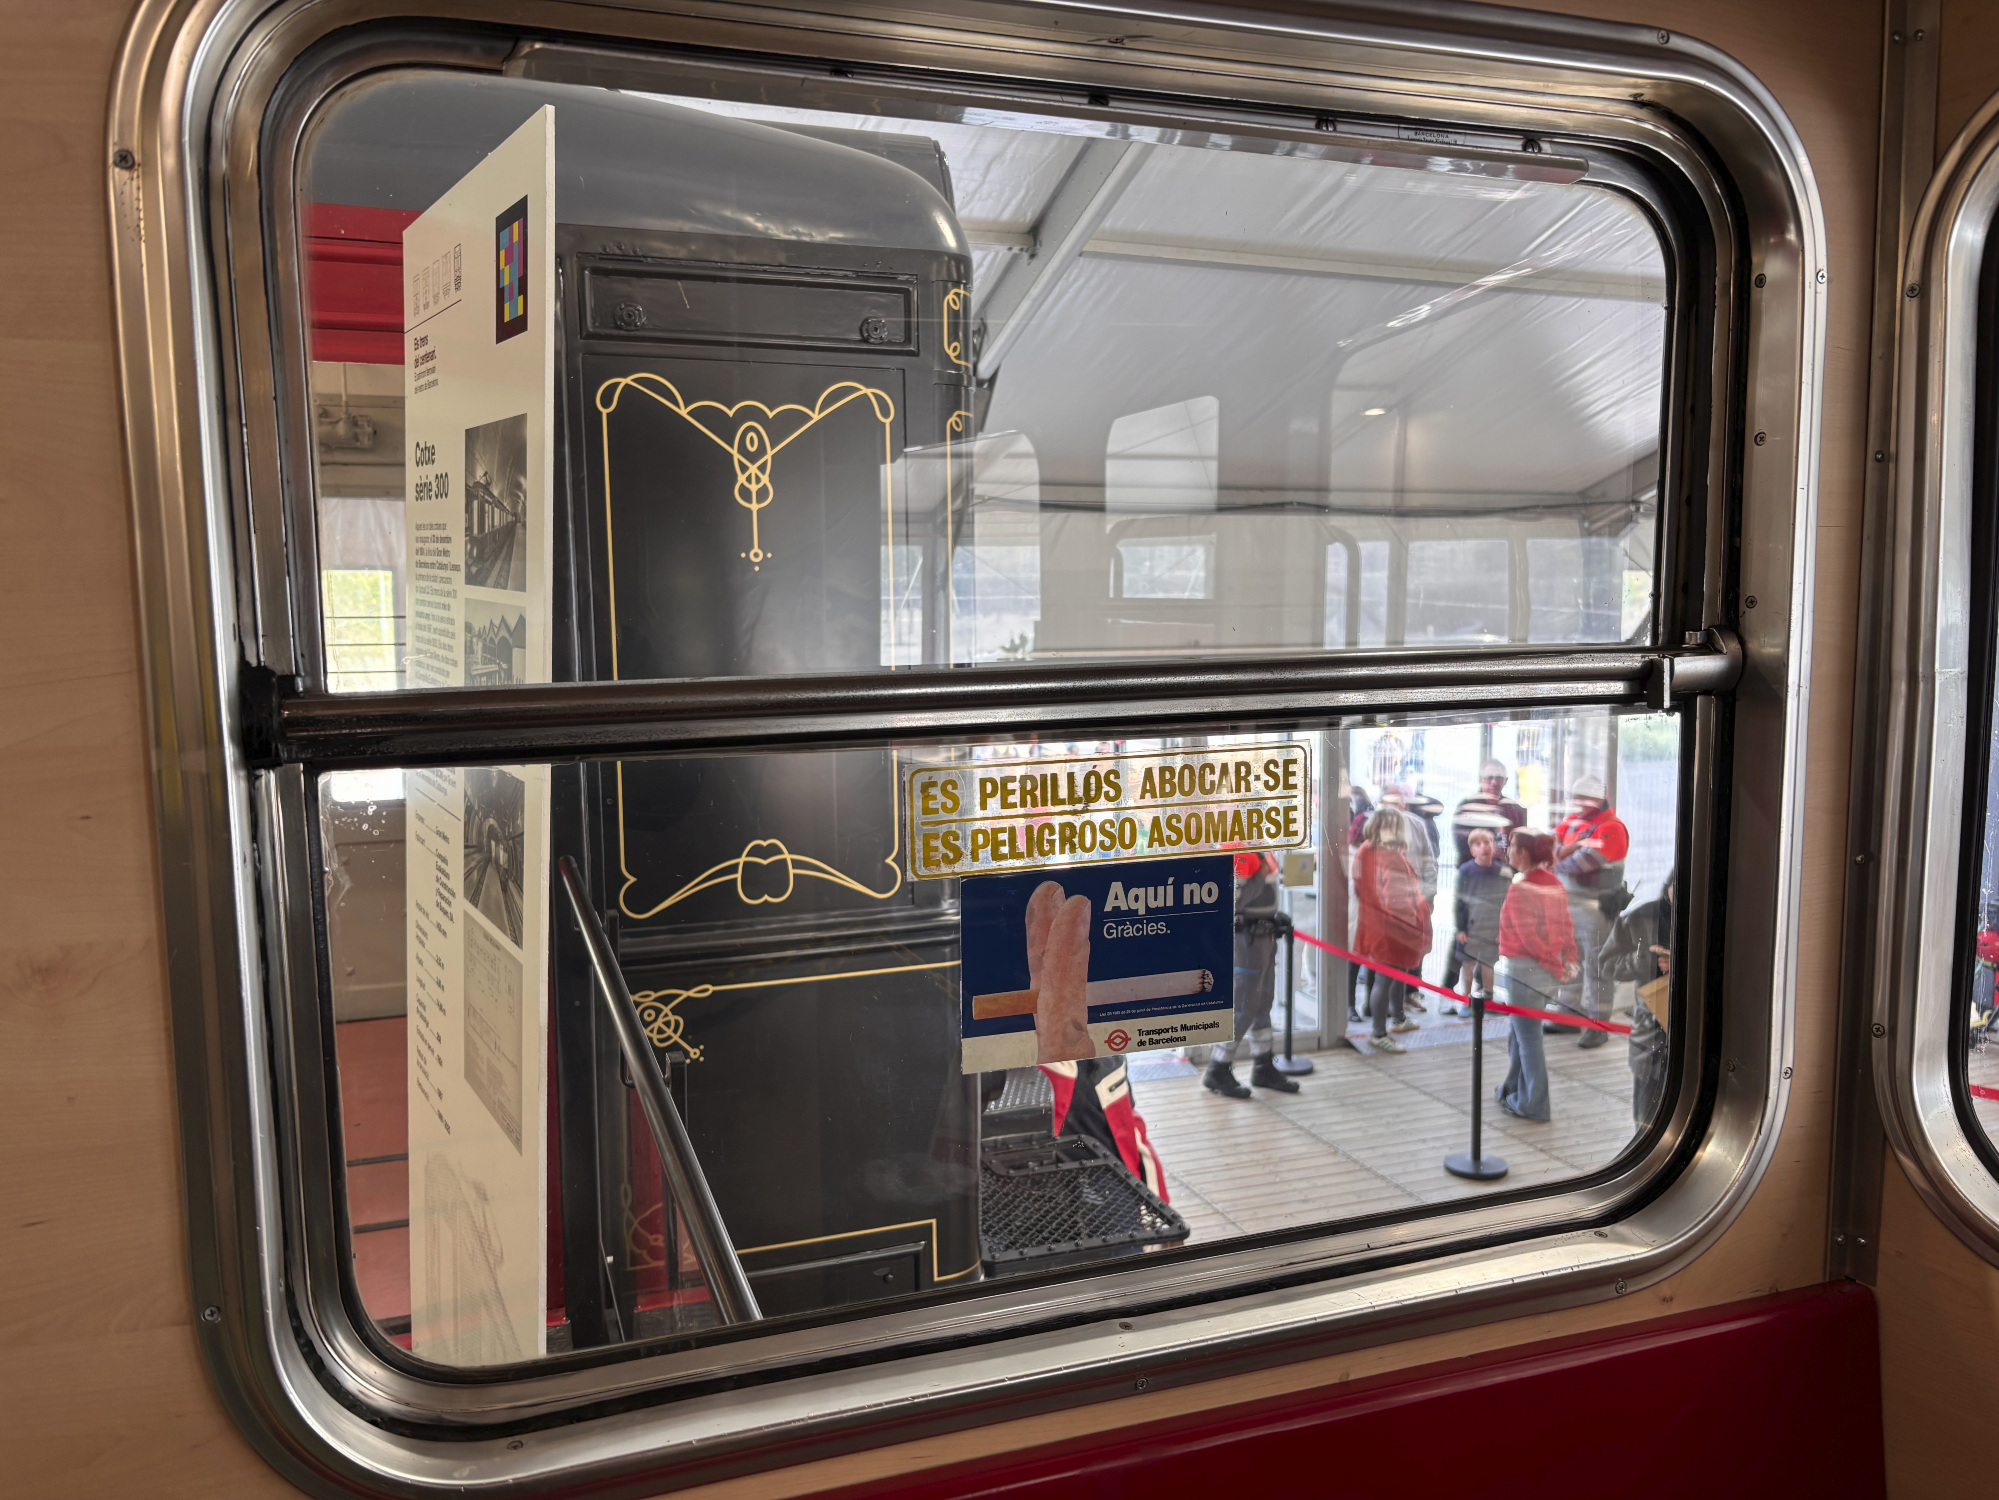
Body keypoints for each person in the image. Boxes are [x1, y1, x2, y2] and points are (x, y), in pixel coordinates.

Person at [1495, 828, 1579, 1122]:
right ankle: (1512, 1088)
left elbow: (1528, 937)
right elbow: (1567, 926)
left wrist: (1556, 965)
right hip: (1547, 971)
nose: (1507, 851)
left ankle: (1534, 1104)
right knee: (1520, 1033)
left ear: (1524, 852)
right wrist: (1567, 961)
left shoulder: (1522, 888)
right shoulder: (1554, 883)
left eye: (1511, 846)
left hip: (1525, 969)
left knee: (1528, 1039)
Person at [1204, 851, 1301, 1097]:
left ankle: (1263, 1066)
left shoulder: (1256, 850)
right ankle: (1218, 1068)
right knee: (1245, 1006)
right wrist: (1260, 877)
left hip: (1262, 937)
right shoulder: (1240, 851)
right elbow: (1232, 900)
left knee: (1262, 1004)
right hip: (1247, 940)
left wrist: (1272, 915)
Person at [1551, 773, 1631, 1050]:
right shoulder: (1573, 821)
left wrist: (1561, 854)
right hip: (1569, 906)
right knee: (1569, 961)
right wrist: (1566, 850)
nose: (1579, 803)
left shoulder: (1612, 827)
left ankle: (1599, 1027)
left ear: (1600, 797)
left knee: (1598, 967)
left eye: (1585, 798)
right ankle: (1568, 1014)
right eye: (1576, 798)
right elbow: (1546, 851)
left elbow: (1580, 864)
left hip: (1596, 909)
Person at [1352, 807, 1432, 1055]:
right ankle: (1379, 1033)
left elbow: (1358, 886)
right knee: (1387, 978)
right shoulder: (1391, 856)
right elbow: (1398, 900)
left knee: (1395, 973)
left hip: (1375, 923)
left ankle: (1398, 1018)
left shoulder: (1366, 849)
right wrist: (1413, 921)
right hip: (1395, 929)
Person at [1599, 870, 1673, 1127]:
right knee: (1646, 1117)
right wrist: (1646, 960)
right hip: (1652, 1029)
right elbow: (1607, 964)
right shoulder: (1641, 917)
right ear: (1669, 886)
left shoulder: (1712, 914)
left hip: (1697, 1031)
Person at [1454, 828, 1512, 1017]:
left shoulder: (1503, 872)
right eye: (1478, 844)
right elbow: (1459, 901)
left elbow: (1507, 903)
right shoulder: (1465, 871)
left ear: (1494, 846)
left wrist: (1502, 930)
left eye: (1487, 842)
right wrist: (1460, 928)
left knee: (1489, 963)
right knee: (1468, 965)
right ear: (1472, 851)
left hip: (1493, 927)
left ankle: (1488, 998)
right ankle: (1466, 1000)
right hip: (1471, 927)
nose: (1484, 847)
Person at [1452, 759, 1529, 865]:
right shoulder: (1467, 807)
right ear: (1480, 779)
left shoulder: (1516, 810)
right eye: (1489, 778)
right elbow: (1462, 845)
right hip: (1473, 869)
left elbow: (1522, 845)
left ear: (1505, 781)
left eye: (1498, 778)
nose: (1494, 782)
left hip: (1507, 870)